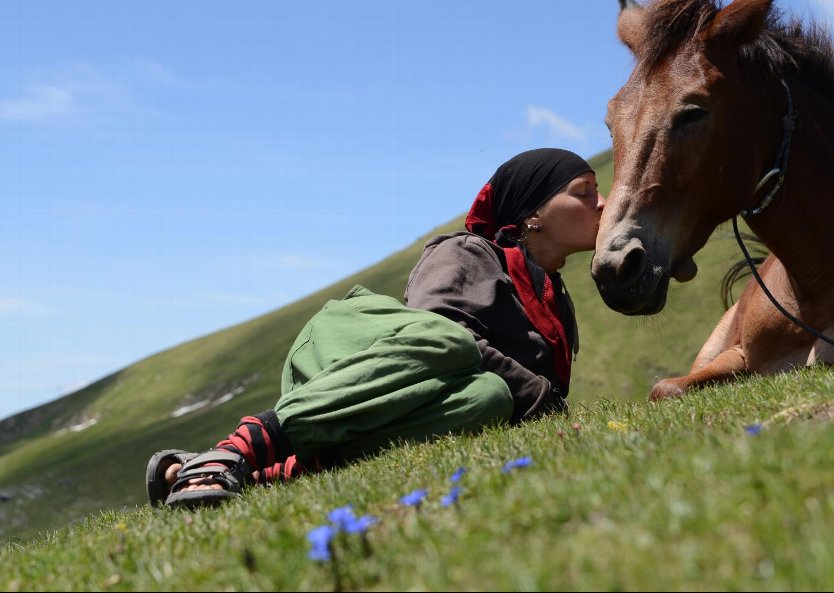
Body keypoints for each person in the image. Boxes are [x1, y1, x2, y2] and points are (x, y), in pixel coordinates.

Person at [146, 148, 604, 509]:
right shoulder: (465, 252)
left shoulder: (553, 298)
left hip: (391, 395)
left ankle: (244, 473)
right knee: (453, 341)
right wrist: (544, 401)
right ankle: (239, 448)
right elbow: (435, 330)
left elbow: (506, 391)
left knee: (488, 398)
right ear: (533, 213)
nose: (602, 203)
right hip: (350, 354)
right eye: (584, 191)